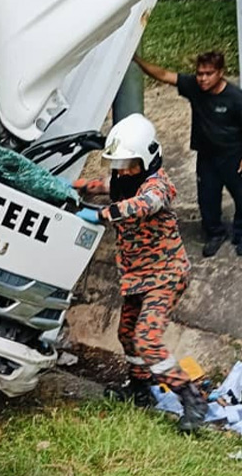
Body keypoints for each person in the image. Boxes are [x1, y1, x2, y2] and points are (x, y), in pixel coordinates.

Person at [72, 113, 206, 432]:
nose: (125, 170)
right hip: (136, 277)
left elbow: (144, 204)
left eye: (131, 163)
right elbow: (101, 185)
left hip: (166, 275)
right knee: (127, 333)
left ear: (146, 157)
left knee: (147, 338)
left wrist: (100, 214)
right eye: (121, 164)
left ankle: (192, 399)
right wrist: (69, 186)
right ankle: (139, 389)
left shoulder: (156, 185)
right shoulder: (123, 179)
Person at [135, 51, 242, 256]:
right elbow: (164, 75)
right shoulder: (194, 87)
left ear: (220, 73)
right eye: (200, 73)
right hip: (206, 156)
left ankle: (240, 234)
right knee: (207, 198)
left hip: (232, 156)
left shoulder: (235, 98)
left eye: (208, 74)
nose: (202, 78)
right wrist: (136, 60)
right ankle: (215, 234)